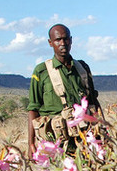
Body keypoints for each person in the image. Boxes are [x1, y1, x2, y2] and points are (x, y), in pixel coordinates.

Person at [27, 24, 102, 156]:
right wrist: (31, 144)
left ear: (71, 40)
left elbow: (93, 101)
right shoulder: (41, 71)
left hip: (85, 139)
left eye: (66, 39)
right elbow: (33, 108)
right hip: (56, 142)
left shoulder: (82, 68)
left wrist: (102, 131)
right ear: (50, 43)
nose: (63, 43)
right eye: (58, 40)